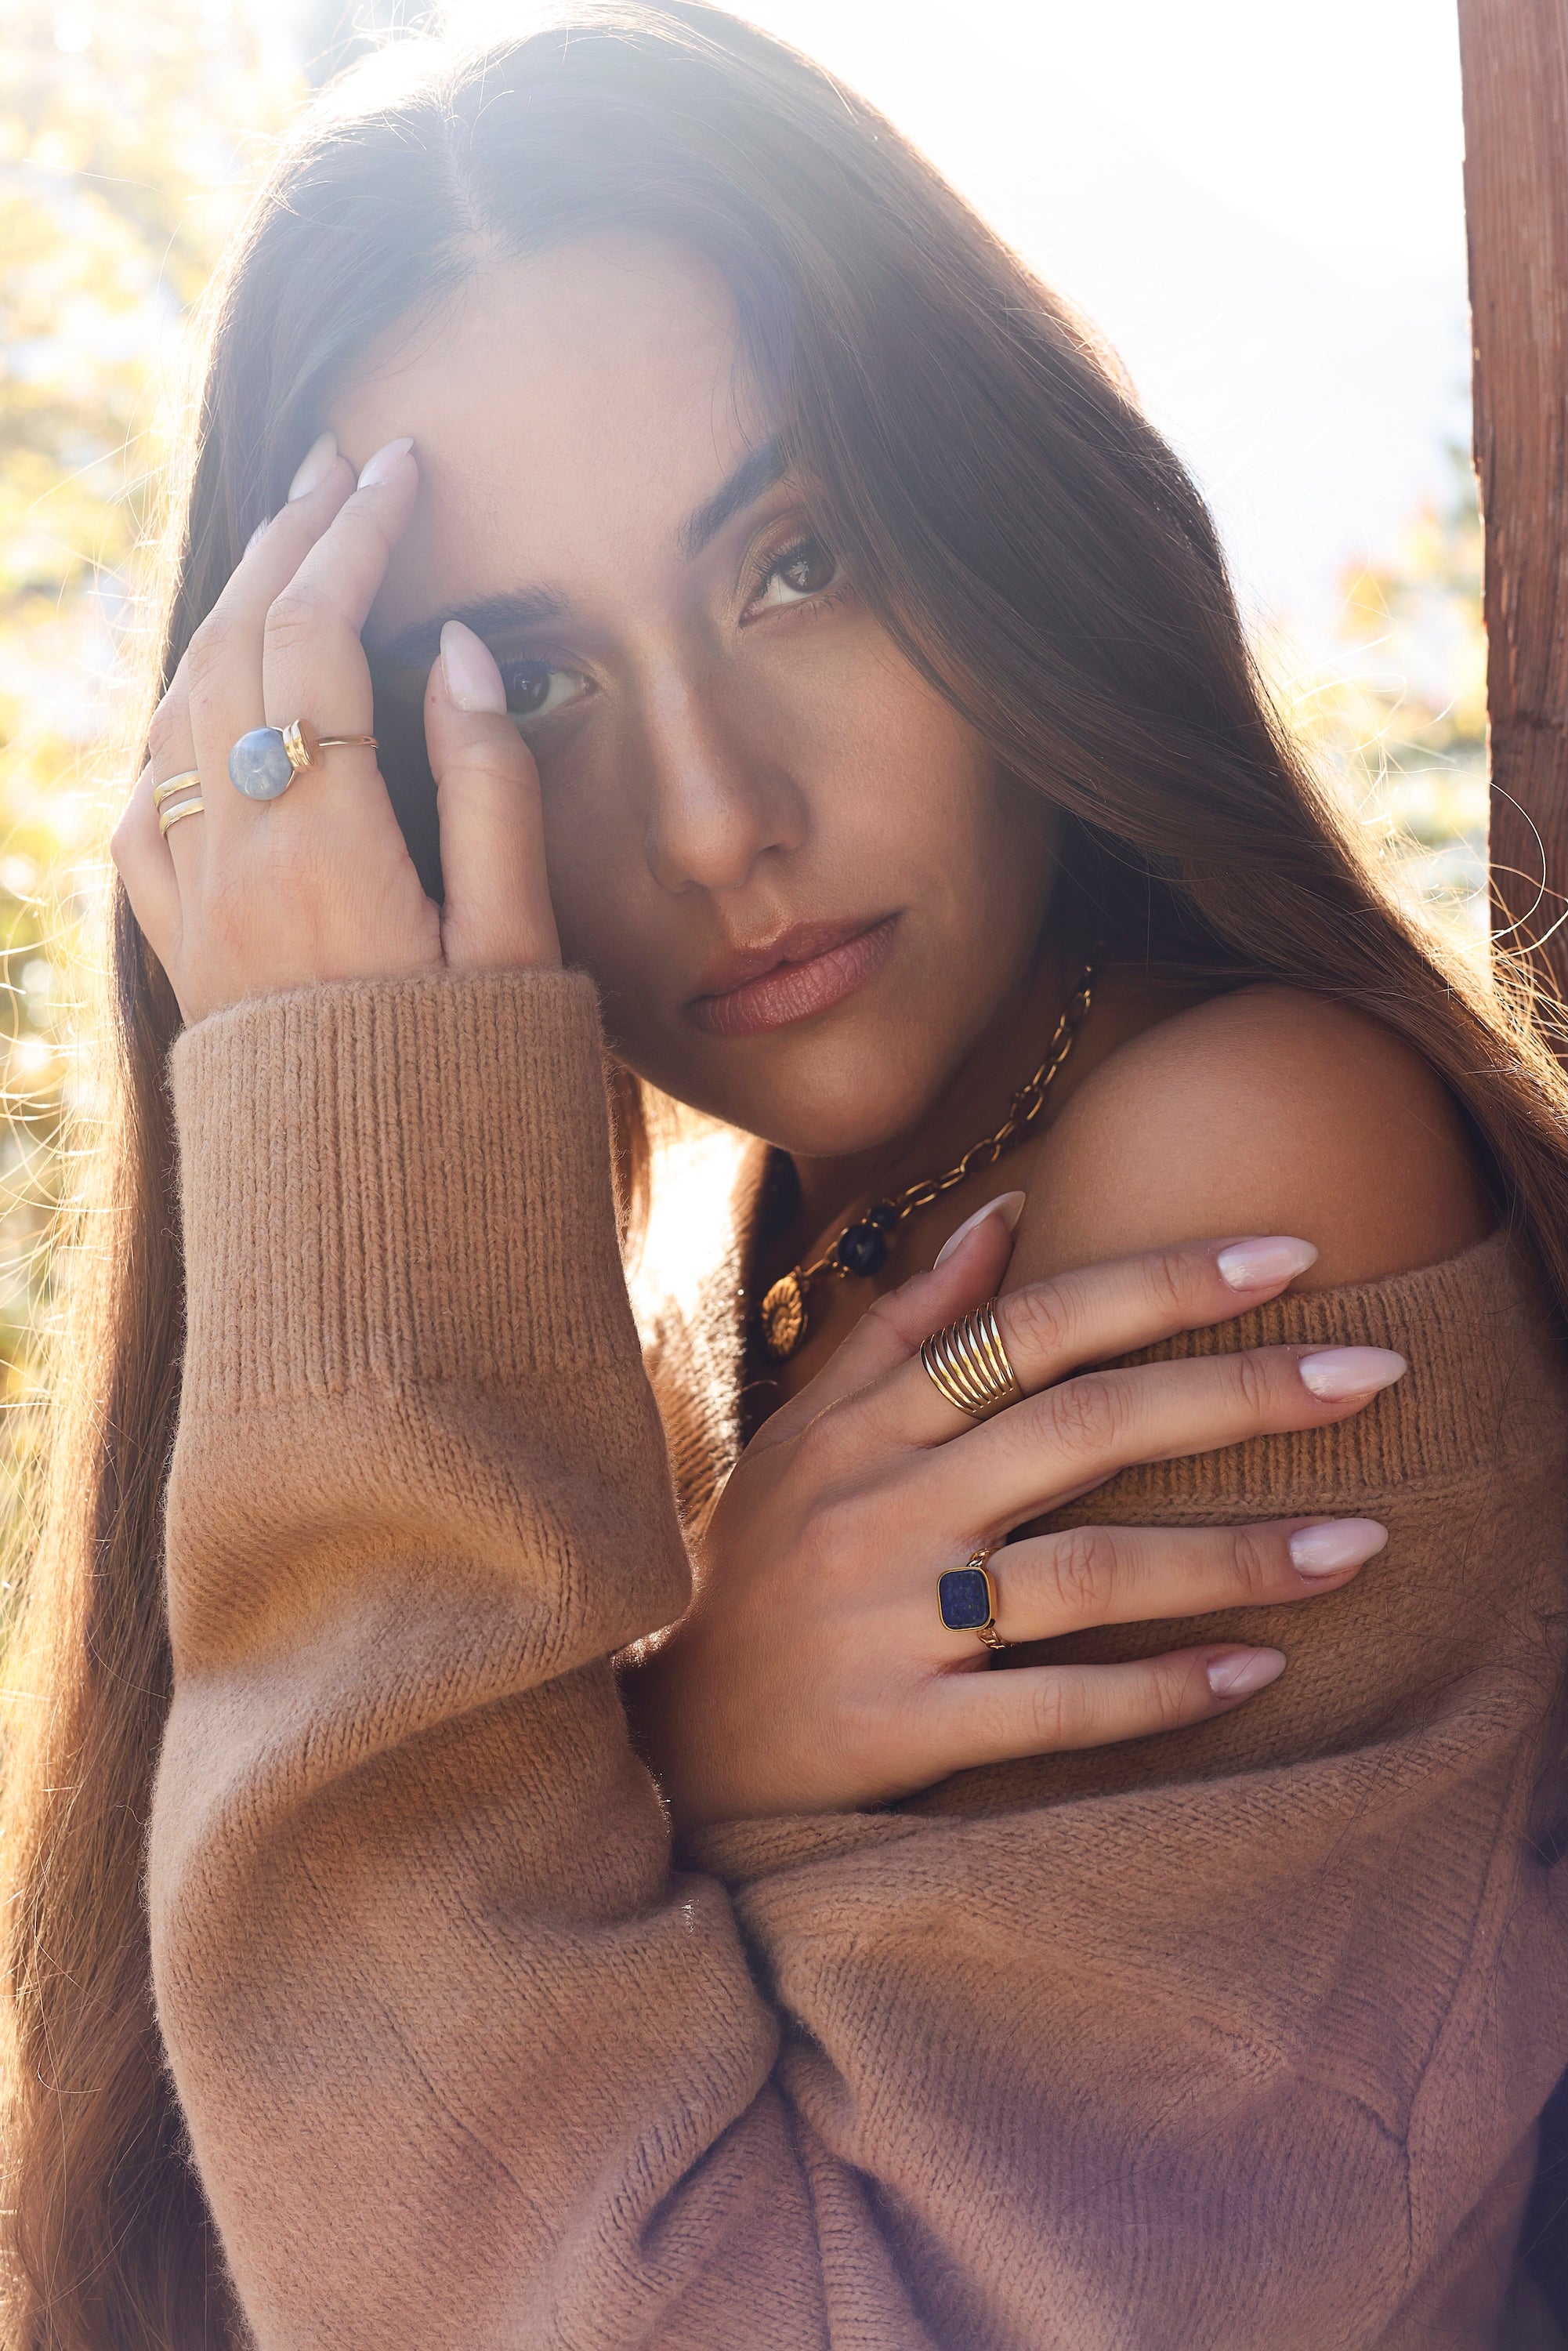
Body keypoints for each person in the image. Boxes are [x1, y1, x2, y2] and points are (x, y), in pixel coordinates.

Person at [2, 7, 1565, 2346]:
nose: (720, 817)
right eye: (523, 688)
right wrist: (667, 1743)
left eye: (794, 559)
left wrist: (348, 1117)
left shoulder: (1239, 1155)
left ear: (990, 511)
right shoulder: (776, 1240)